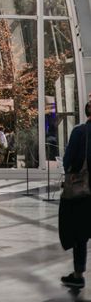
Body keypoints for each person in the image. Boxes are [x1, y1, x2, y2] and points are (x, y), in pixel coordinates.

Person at [59, 101, 91, 289]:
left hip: (84, 192)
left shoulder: (80, 132)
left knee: (81, 233)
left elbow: (68, 160)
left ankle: (78, 275)